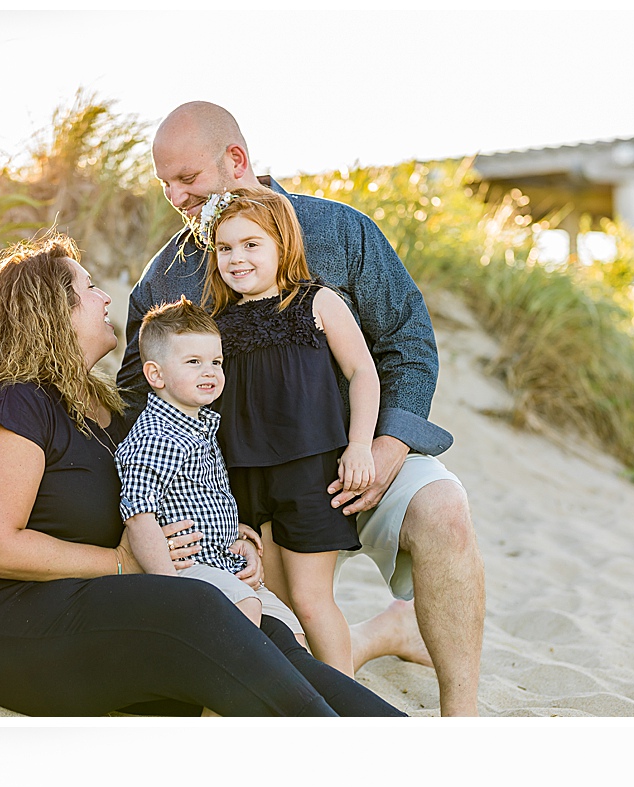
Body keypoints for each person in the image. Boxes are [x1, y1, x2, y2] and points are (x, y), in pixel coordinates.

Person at [0, 232, 404, 717]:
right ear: (50, 311)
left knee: (268, 631)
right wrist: (122, 562)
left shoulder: (115, 410)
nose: (105, 296)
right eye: (88, 289)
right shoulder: (15, 402)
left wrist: (235, 537)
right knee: (196, 608)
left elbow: (172, 486)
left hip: (90, 599)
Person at [117, 101, 485, 715]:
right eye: (165, 185)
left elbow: (407, 344)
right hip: (245, 480)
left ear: (235, 161)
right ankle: (378, 640)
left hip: (357, 451)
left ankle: (461, 718)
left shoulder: (340, 230)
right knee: (299, 612)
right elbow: (138, 391)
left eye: (188, 179)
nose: (175, 196)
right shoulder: (166, 276)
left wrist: (385, 447)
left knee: (444, 510)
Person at [205, 188, 381, 674]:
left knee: (309, 598)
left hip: (308, 471)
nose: (236, 258)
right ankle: (313, 691)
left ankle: (349, 702)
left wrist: (361, 445)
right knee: (276, 597)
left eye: (251, 244)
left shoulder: (316, 302)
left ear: (282, 243)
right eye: (224, 248)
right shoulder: (218, 323)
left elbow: (363, 372)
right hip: (242, 478)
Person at [116, 297, 306, 643]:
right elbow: (139, 515)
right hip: (185, 570)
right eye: (193, 362)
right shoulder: (156, 436)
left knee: (292, 628)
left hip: (222, 562)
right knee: (245, 606)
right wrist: (167, 587)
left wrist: (234, 531)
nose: (210, 371)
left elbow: (200, 497)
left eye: (216, 362)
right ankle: (220, 694)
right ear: (155, 374)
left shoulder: (201, 426)